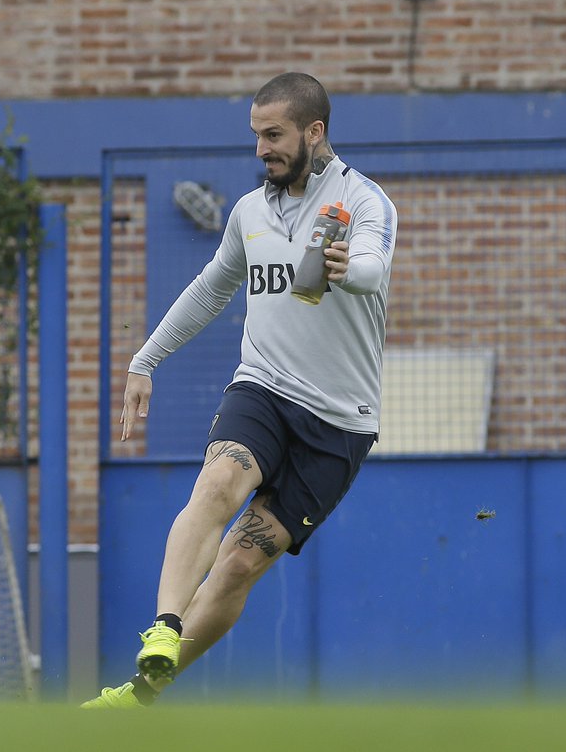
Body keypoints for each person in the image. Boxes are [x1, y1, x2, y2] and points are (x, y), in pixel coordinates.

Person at [82, 72, 397, 708]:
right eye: (256, 135)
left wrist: (344, 267)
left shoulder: (364, 203)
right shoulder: (250, 212)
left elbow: (374, 264)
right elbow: (210, 288)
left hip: (339, 423)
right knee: (219, 482)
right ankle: (164, 629)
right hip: (262, 388)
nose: (261, 149)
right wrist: (146, 358)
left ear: (315, 132)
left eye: (274, 135)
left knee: (239, 565)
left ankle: (139, 698)